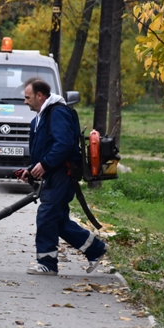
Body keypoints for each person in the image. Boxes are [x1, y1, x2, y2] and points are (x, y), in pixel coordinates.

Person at [17, 78, 108, 275]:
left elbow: (64, 144)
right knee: (57, 220)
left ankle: (48, 264)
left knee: (46, 215)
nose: (25, 102)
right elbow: (44, 150)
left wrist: (45, 164)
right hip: (53, 174)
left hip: (62, 175)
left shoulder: (58, 113)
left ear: (40, 96)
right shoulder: (40, 118)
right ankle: (95, 249)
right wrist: (31, 169)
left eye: (28, 97)